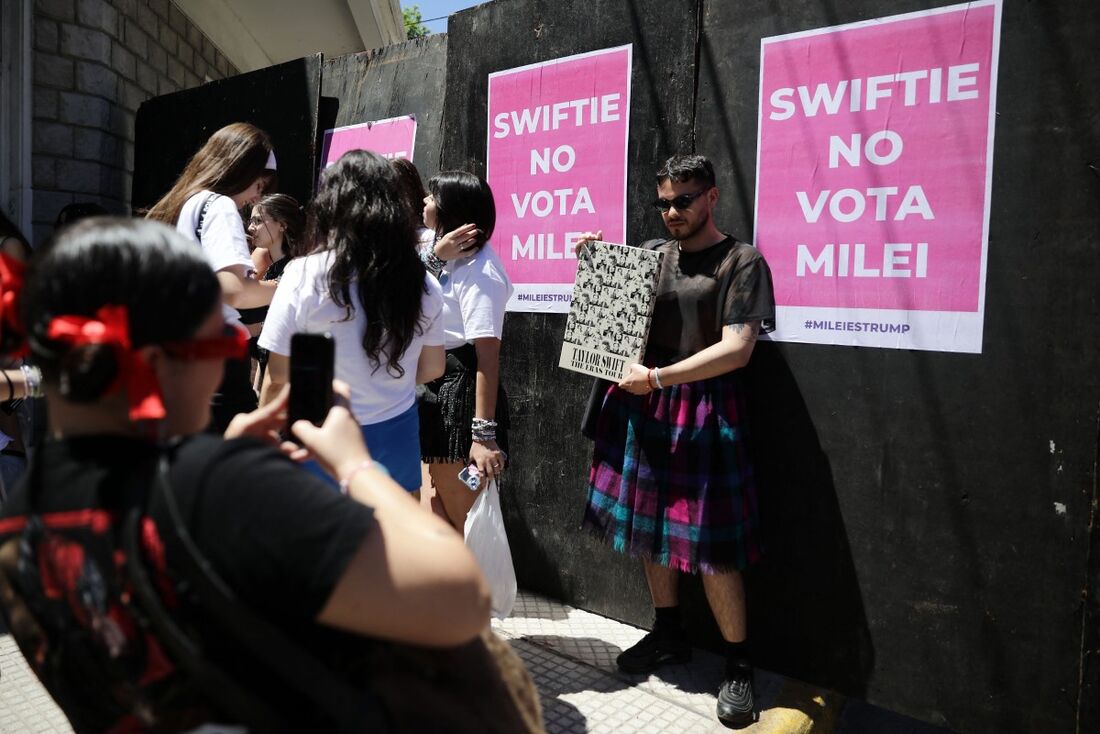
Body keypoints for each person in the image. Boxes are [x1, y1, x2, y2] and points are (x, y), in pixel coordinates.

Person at [0, 217, 542, 732]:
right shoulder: (219, 487)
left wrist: (222, 456)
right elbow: (459, 600)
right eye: (222, 342)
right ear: (165, 359)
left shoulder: (17, 522)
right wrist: (355, 467)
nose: (226, 365)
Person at [577, 154, 775, 728]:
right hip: (643, 405)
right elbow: (608, 321)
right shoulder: (649, 254)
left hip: (705, 408)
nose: (671, 212)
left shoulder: (743, 261)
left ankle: (739, 664)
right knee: (647, 528)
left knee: (711, 544)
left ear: (711, 197)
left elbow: (739, 349)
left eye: (683, 200)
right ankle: (668, 632)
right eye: (664, 202)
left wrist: (660, 378)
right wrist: (596, 267)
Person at [259, 151, 446, 494]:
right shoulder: (424, 283)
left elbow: (276, 378)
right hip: (397, 434)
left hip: (322, 436)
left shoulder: (302, 274)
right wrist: (383, 377)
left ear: (331, 206)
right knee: (396, 539)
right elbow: (433, 367)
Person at [146, 122, 280, 431]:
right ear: (240, 169)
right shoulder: (219, 206)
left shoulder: (185, 205)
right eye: (258, 185)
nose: (256, 197)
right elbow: (234, 290)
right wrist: (285, 286)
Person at [416, 171, 512, 531]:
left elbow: (487, 356)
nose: (424, 202)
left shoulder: (481, 270)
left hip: (459, 394)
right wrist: (435, 257)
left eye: (431, 196)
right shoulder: (438, 251)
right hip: (434, 387)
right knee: (435, 508)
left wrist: (483, 436)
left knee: (463, 521)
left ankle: (474, 588)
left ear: (449, 209)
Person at [238, 193, 305, 390]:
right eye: (251, 221)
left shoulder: (296, 269)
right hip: (269, 372)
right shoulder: (272, 269)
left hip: (288, 379)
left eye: (258, 221)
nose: (251, 228)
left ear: (282, 224)